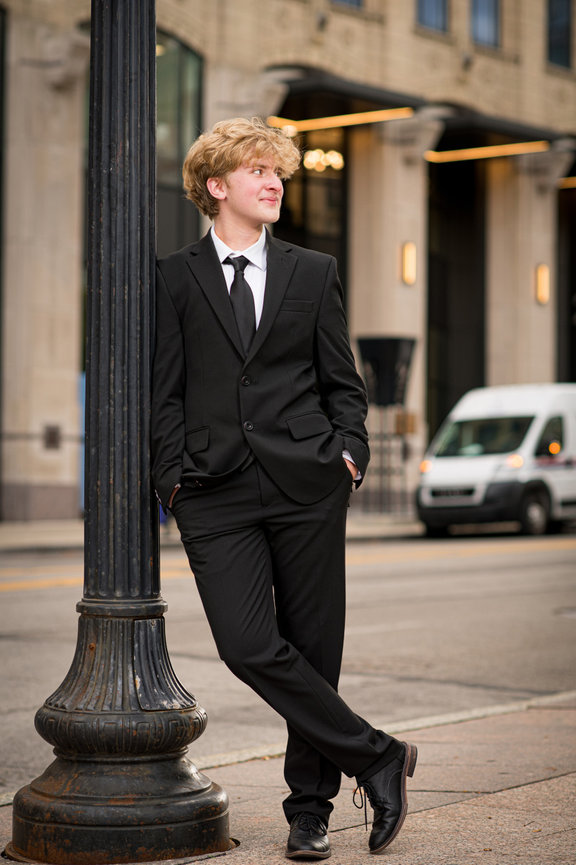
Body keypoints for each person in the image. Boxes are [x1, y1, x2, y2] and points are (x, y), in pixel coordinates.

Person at [151, 116, 417, 860]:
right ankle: (378, 754)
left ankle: (311, 809)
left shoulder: (312, 271)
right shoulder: (174, 277)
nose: (275, 182)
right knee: (246, 644)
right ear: (217, 185)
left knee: (313, 645)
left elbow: (343, 382)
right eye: (259, 170)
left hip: (307, 482)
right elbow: (163, 391)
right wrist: (171, 481)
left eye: (280, 172)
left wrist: (349, 455)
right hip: (212, 488)